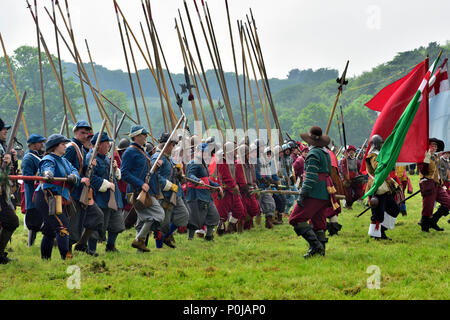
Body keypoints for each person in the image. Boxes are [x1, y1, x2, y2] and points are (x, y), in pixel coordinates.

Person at [289, 126, 337, 258]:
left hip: (315, 191)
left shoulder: (313, 154)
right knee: (318, 220)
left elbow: (310, 177)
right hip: (325, 191)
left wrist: (303, 194)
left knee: (296, 218)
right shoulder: (325, 152)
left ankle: (317, 246)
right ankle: (319, 251)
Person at [34, 134, 80, 260]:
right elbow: (47, 168)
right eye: (62, 144)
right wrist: (48, 173)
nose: (65, 146)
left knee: (50, 230)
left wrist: (74, 177)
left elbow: (75, 171)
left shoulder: (64, 160)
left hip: (58, 197)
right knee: (62, 226)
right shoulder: (48, 158)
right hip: (47, 195)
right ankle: (65, 258)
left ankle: (45, 259)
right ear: (55, 147)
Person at [121, 125, 165, 252]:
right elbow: (124, 173)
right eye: (143, 134)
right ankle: (138, 239)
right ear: (136, 136)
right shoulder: (130, 152)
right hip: (137, 191)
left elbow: (146, 171)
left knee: (141, 222)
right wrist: (140, 184)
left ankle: (139, 249)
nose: (146, 136)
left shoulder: (142, 151)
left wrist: (155, 166)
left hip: (145, 190)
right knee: (158, 215)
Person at [86, 132, 125, 254]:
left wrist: (115, 169)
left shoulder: (107, 158)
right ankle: (91, 249)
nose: (108, 145)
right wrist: (107, 184)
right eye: (106, 143)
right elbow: (90, 178)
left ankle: (111, 246)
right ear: (98, 145)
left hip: (113, 196)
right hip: (100, 196)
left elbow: (115, 176)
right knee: (97, 225)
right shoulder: (91, 158)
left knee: (117, 223)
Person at [151, 132, 189, 249]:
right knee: (163, 223)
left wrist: (179, 172)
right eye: (172, 145)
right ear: (166, 145)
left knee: (184, 215)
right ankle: (159, 247)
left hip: (174, 193)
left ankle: (166, 236)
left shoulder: (168, 157)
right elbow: (154, 175)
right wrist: (168, 185)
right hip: (164, 194)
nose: (173, 147)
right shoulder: (156, 157)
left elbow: (172, 173)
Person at [365, 135, 400, 240]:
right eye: (380, 143)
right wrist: (386, 159)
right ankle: (376, 234)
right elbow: (377, 167)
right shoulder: (372, 155)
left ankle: (381, 230)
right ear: (376, 144)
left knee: (394, 209)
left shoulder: (380, 154)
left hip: (385, 186)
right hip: (377, 186)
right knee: (378, 213)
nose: (382, 145)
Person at [185, 143, 222, 241]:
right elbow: (190, 175)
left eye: (206, 152)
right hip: (196, 196)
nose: (205, 154)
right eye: (203, 151)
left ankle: (209, 237)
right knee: (194, 220)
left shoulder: (203, 163)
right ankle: (190, 240)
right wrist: (198, 181)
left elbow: (206, 180)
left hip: (206, 195)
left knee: (213, 216)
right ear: (197, 151)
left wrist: (216, 186)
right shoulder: (193, 162)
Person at [417, 138, 450, 231]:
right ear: (428, 147)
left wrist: (441, 183)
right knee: (428, 207)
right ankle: (425, 226)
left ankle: (433, 221)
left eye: (435, 146)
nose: (434, 147)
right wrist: (427, 156)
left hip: (437, 185)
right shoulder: (422, 156)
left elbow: (438, 171)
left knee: (448, 202)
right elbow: (423, 170)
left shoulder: (436, 157)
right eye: (432, 145)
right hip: (428, 184)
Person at [20, 134, 46, 247]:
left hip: (41, 192)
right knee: (33, 223)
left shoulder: (38, 156)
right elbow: (27, 178)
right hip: (33, 194)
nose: (42, 144)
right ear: (34, 145)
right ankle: (30, 245)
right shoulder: (28, 158)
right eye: (40, 142)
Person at [0, 118, 20, 264]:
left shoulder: (3, 147)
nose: (5, 131)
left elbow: (9, 172)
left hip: (3, 190)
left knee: (11, 221)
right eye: (3, 129)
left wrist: (11, 160)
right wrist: (3, 161)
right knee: (12, 221)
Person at [215, 142, 246, 234]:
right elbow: (226, 177)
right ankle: (220, 230)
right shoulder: (222, 162)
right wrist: (234, 186)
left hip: (234, 190)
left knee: (239, 210)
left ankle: (231, 227)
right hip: (225, 190)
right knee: (222, 214)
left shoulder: (233, 160)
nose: (236, 152)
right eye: (235, 150)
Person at [235, 144, 261, 230]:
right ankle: (241, 227)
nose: (249, 155)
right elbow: (240, 179)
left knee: (255, 208)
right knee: (243, 211)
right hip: (243, 190)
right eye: (247, 154)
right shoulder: (239, 164)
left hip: (250, 189)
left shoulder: (250, 164)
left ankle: (247, 225)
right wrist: (246, 189)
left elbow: (252, 178)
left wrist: (255, 186)